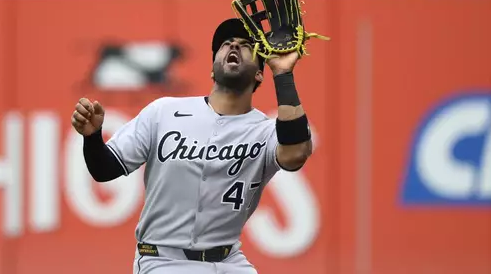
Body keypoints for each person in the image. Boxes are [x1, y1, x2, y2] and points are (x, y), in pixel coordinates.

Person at [71, 18, 314, 273]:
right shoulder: (164, 111)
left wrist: (283, 73)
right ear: (212, 69)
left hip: (228, 261)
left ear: (259, 73)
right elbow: (104, 169)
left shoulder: (266, 131)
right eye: (226, 44)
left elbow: (295, 153)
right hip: (163, 261)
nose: (233, 46)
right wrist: (93, 137)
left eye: (245, 45)